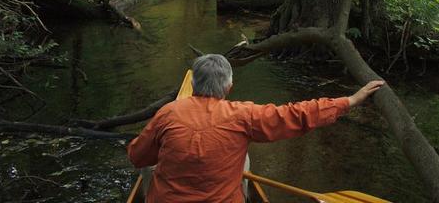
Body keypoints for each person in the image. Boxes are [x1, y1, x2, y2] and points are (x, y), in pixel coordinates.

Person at [127, 54, 385, 203]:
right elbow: (297, 115)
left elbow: (137, 156)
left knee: (149, 165)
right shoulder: (243, 115)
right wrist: (349, 101)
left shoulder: (168, 113)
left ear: (193, 85)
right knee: (245, 160)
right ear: (229, 87)